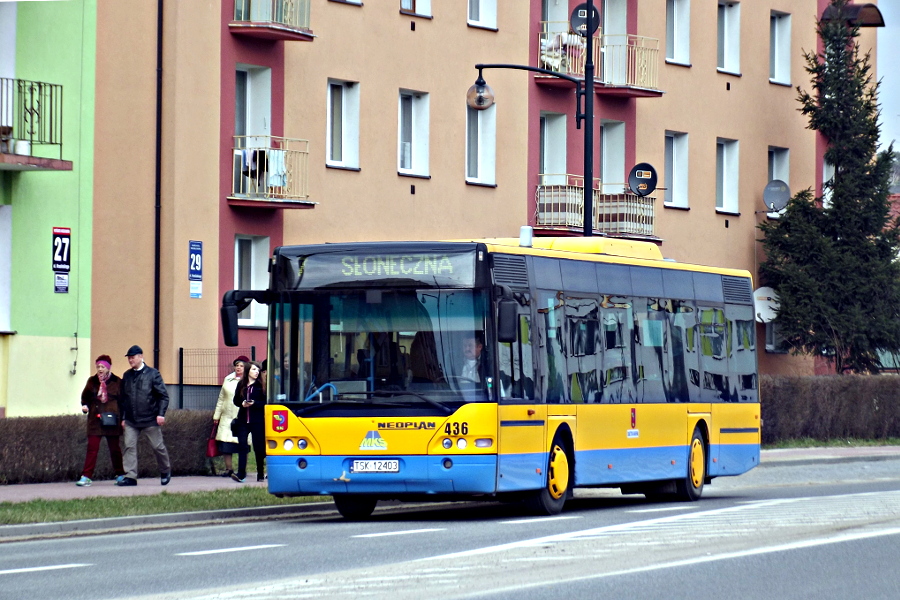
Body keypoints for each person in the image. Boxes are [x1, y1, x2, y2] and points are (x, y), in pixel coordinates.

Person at [117, 345, 171, 486]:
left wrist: (161, 414)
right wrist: (123, 417)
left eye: (132, 357)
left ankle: (165, 470)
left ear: (141, 356)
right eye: (129, 358)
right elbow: (123, 399)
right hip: (131, 420)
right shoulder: (126, 375)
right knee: (129, 447)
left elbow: (163, 396)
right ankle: (130, 477)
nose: (130, 360)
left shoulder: (153, 374)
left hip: (150, 419)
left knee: (158, 447)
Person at [76, 355, 126, 486]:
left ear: (108, 368)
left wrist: (124, 418)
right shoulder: (92, 381)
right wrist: (85, 405)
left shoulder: (117, 382)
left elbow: (123, 402)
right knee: (92, 449)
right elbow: (85, 397)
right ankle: (86, 476)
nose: (100, 369)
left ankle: (120, 474)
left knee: (115, 449)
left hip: (112, 419)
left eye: (102, 367)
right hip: (95, 419)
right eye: (98, 366)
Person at [211, 356, 247, 478]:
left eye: (241, 366)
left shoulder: (249, 381)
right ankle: (229, 469)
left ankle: (242, 469)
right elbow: (221, 398)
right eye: (237, 365)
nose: (238, 368)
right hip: (227, 416)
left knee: (243, 444)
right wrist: (217, 415)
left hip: (242, 416)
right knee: (225, 445)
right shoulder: (228, 379)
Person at [231, 360, 266, 483]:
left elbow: (266, 403)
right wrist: (242, 404)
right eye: (254, 369)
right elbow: (235, 400)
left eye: (258, 370)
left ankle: (260, 473)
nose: (256, 372)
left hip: (257, 420)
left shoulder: (261, 386)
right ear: (248, 371)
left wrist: (255, 404)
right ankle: (241, 474)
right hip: (242, 420)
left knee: (259, 447)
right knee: (242, 446)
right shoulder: (241, 384)